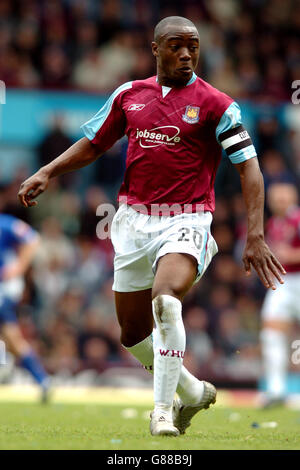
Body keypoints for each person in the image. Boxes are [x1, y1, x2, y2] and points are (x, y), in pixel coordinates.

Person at [18, 16, 285, 436]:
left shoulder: (216, 104)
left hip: (187, 218)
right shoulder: (130, 95)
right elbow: (94, 144)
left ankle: (162, 411)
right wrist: (48, 172)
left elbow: (249, 167)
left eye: (192, 46)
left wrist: (255, 234)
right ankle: (193, 391)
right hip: (132, 222)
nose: (185, 54)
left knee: (166, 301)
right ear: (155, 48)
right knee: (132, 334)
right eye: (176, 46)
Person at [0, 213, 50, 402]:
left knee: (11, 336)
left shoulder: (5, 224)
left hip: (5, 286)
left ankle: (42, 380)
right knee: (12, 339)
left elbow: (32, 238)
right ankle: (42, 380)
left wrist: (19, 267)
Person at [260, 183, 300, 407]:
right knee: (271, 333)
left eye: (283, 197)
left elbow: (285, 253)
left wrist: (289, 255)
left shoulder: (297, 220)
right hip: (283, 284)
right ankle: (276, 390)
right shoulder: (275, 223)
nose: (279, 201)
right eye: (275, 198)